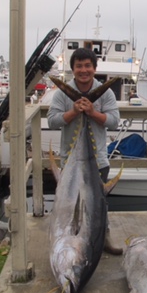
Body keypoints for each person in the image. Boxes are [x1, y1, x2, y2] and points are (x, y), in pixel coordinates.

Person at [47, 47, 123, 255]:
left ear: (94, 68)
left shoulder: (105, 92)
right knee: (70, 204)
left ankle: (104, 239)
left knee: (98, 206)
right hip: (70, 161)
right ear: (73, 69)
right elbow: (52, 121)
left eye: (87, 65)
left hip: (97, 160)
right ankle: (67, 237)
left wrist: (92, 112)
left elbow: (115, 122)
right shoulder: (62, 94)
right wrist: (73, 111)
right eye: (79, 66)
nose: (83, 70)